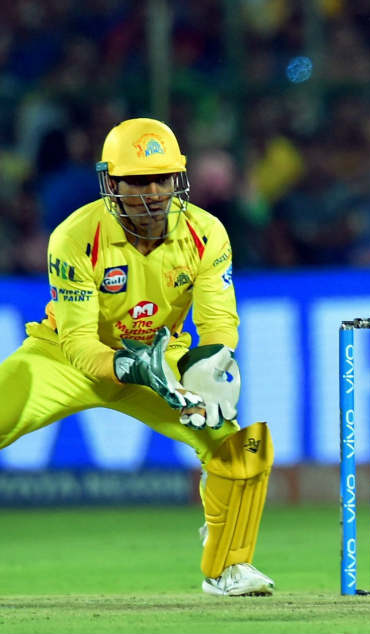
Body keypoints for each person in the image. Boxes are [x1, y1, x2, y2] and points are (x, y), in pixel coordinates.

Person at [0, 118, 276, 597]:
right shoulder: (75, 237)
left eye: (161, 179)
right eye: (137, 181)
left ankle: (228, 567)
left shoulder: (205, 234)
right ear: (111, 183)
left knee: (239, 451)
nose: (151, 193)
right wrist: (124, 367)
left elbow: (217, 323)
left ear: (178, 179)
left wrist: (212, 366)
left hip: (160, 357)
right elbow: (80, 342)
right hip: (63, 358)